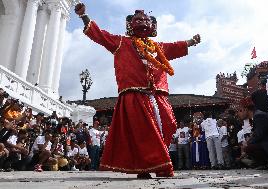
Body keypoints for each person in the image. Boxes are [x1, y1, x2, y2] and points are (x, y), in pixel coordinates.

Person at [75, 3, 201, 178]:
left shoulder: (159, 47)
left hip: (158, 95)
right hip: (134, 96)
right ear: (130, 25)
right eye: (138, 19)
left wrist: (192, 41)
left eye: (146, 19)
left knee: (169, 124)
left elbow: (177, 46)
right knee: (143, 133)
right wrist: (84, 17)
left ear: (153, 26)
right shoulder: (121, 42)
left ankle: (157, 164)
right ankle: (147, 168)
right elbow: (100, 36)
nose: (142, 22)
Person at [239, 97, 268, 168]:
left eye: (240, 111)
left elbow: (259, 135)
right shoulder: (257, 115)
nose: (239, 114)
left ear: (246, 109)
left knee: (248, 147)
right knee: (249, 145)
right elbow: (256, 133)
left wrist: (247, 144)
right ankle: (263, 163)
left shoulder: (259, 116)